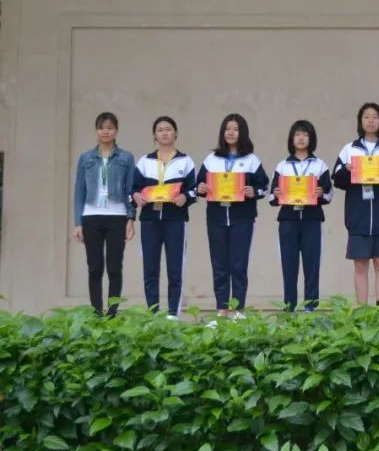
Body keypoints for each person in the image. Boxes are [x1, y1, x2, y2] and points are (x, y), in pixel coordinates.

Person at [331, 103, 379, 305]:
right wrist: (347, 170)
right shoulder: (349, 149)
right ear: (360, 121)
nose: (371, 121)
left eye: (375, 117)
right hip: (358, 218)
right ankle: (362, 311)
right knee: (360, 265)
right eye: (366, 117)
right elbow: (337, 179)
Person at [196, 113, 269, 319]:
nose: (230, 133)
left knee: (238, 265)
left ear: (242, 132)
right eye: (227, 129)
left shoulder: (251, 160)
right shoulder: (211, 159)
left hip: (242, 219)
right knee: (219, 265)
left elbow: (264, 187)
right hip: (216, 218)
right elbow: (198, 185)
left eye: (235, 129)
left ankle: (238, 310)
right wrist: (201, 188)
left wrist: (253, 191)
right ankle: (221, 310)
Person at [130, 116, 197, 319]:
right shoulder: (145, 161)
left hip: (175, 220)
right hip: (150, 220)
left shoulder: (185, 161)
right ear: (154, 135)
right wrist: (136, 196)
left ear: (175, 133)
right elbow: (133, 188)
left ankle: (173, 314)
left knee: (175, 268)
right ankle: (153, 314)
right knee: (150, 268)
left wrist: (185, 197)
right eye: (160, 130)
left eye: (168, 129)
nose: (164, 133)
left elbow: (193, 190)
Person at [72, 112, 136, 316]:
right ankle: (96, 312)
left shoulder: (126, 158)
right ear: (96, 130)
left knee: (115, 267)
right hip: (91, 216)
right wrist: (78, 222)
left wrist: (130, 218)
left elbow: (130, 190)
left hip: (117, 216)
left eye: (109, 127)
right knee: (94, 267)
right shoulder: (86, 158)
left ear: (116, 130)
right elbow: (79, 191)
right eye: (101, 127)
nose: (105, 131)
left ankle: (112, 313)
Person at [269, 120, 333, 311]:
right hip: (288, 221)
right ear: (291, 138)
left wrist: (321, 193)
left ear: (311, 138)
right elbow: (271, 196)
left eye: (305, 134)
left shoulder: (319, 165)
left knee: (312, 266)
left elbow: (329, 194)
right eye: (297, 134)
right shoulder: (282, 166)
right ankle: (289, 309)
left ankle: (310, 309)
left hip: (312, 220)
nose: (301, 138)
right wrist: (277, 194)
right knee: (288, 266)